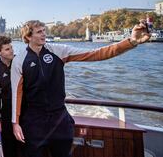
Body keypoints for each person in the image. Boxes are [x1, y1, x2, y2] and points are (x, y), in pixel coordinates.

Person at [11, 20, 151, 157]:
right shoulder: (20, 60)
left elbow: (96, 53)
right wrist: (15, 123)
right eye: (39, 32)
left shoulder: (58, 51)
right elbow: (16, 94)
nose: (44, 34)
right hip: (34, 121)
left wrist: (131, 42)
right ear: (28, 36)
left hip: (59, 118)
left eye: (44, 31)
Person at [0, 35, 22, 157]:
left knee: (25, 145)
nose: (11, 50)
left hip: (24, 109)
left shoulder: (20, 62)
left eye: (11, 47)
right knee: (9, 146)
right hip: (7, 111)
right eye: (7, 49)